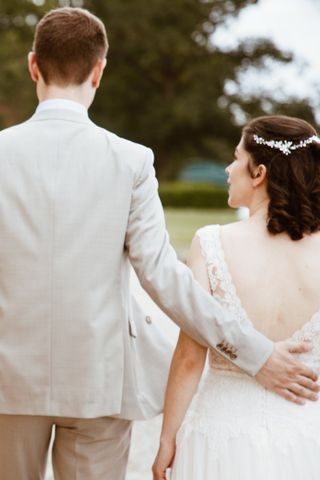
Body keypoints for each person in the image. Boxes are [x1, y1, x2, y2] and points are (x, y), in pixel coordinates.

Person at [0, 7, 319, 480]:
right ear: (99, 71)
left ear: (33, 64)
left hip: (6, 376)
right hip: (101, 379)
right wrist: (254, 353)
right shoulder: (132, 162)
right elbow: (165, 280)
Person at [153, 115, 320, 480]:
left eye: (235, 157)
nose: (228, 169)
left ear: (259, 173)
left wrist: (167, 439)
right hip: (307, 438)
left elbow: (188, 359)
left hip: (220, 438)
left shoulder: (212, 243)